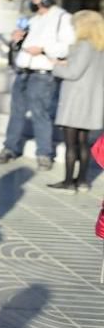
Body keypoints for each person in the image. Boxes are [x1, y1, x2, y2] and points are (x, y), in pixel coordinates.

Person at [0, 0, 75, 170]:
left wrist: (44, 49)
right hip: (23, 70)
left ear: (47, 0)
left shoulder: (63, 18)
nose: (33, 2)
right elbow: (23, 43)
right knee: (16, 112)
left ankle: (44, 153)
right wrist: (18, 39)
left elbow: (68, 47)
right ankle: (10, 147)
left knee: (41, 113)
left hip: (42, 73)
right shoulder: (33, 19)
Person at [48, 10, 104, 192]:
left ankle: (68, 181)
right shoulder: (99, 46)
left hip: (76, 101)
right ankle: (82, 180)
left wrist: (55, 66)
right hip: (91, 101)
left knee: (71, 143)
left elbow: (74, 73)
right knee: (83, 143)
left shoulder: (84, 45)